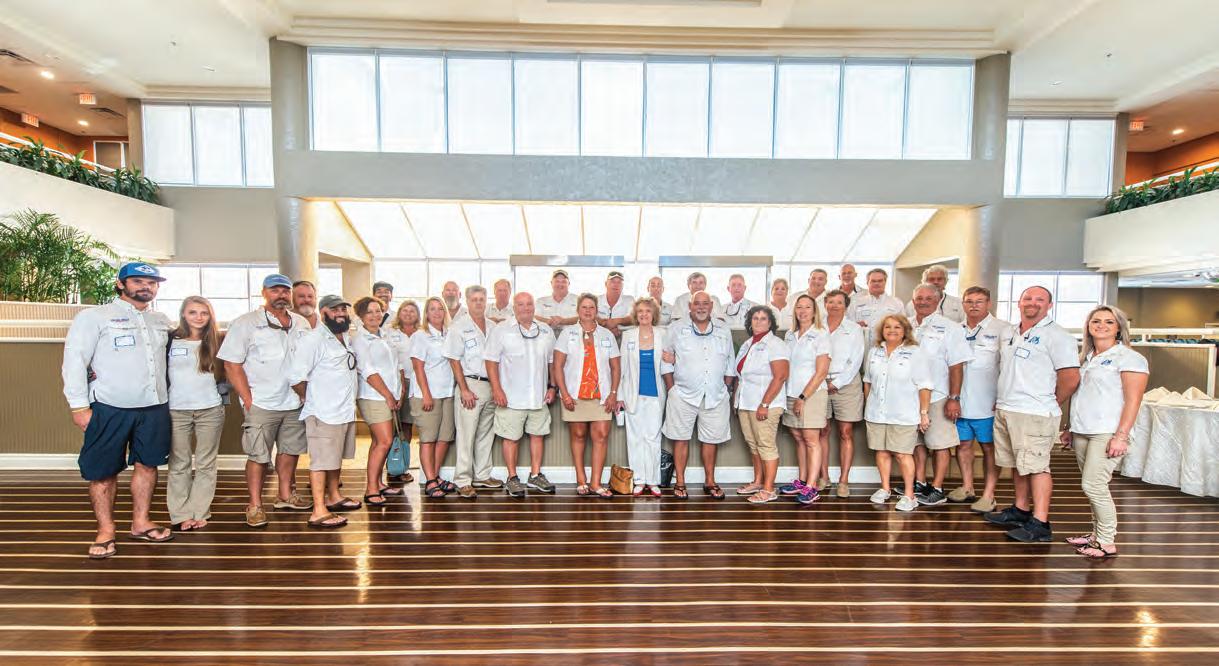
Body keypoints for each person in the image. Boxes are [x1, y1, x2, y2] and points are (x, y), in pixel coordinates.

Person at [63, 261, 175, 559]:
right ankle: (106, 530)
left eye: (151, 283)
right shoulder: (94, 317)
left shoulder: (160, 320)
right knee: (102, 472)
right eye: (138, 281)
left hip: (154, 407)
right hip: (109, 407)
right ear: (120, 284)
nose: (146, 287)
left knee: (148, 465)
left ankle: (141, 522)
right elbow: (74, 362)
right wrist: (79, 406)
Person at [984, 286, 1080, 543]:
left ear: (1049, 305)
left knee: (1037, 467)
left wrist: (1050, 401)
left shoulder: (1058, 336)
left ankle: (1040, 523)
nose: (1032, 303)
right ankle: (1021, 509)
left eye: (1040, 299)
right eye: (1028, 298)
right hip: (1007, 408)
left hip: (1035, 412)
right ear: (1019, 302)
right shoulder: (1010, 332)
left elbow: (1070, 378)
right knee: (1019, 464)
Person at [218, 273, 313, 529]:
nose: (281, 295)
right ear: (264, 293)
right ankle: (255, 505)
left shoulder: (301, 323)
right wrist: (248, 400)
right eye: (275, 290)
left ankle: (285, 495)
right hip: (262, 402)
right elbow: (231, 364)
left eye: (285, 290)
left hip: (294, 401)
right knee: (258, 455)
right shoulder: (246, 323)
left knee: (290, 450)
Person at [1062, 306, 1148, 559]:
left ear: (1119, 327)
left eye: (1109, 322)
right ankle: (1096, 534)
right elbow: (1080, 396)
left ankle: (1106, 541)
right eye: (1096, 321)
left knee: (1094, 485)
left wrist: (1121, 436)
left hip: (1108, 432)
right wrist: (1069, 427)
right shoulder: (1086, 357)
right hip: (1082, 430)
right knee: (1092, 486)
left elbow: (1133, 400)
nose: (1101, 325)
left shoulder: (1129, 358)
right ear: (1088, 326)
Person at [288, 294, 359, 529]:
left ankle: (334, 496)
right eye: (334, 310)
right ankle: (318, 510)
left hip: (344, 410)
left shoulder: (344, 336)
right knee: (320, 461)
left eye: (343, 309)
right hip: (323, 412)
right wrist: (311, 398)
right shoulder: (313, 339)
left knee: (335, 457)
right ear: (323, 312)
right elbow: (296, 377)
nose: (340, 313)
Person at [661, 291, 736, 500]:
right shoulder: (676, 328)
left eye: (705, 304)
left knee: (711, 440)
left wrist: (726, 388)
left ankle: (710, 481)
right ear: (690, 306)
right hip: (682, 394)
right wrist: (671, 389)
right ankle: (680, 482)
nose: (701, 307)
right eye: (697, 304)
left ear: (711, 306)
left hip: (715, 395)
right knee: (680, 438)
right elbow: (666, 360)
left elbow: (730, 361)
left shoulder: (723, 329)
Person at [485, 292, 558, 498]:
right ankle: (512, 477)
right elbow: (490, 361)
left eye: (529, 304)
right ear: (514, 307)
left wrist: (552, 387)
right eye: (521, 304)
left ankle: (535, 475)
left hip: (538, 396)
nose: (525, 308)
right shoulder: (501, 330)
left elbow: (552, 361)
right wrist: (496, 389)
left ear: (534, 306)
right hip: (510, 397)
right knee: (511, 438)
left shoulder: (545, 330)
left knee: (537, 435)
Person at [909, 284, 973, 506]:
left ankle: (937, 488)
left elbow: (957, 365)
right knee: (917, 443)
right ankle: (920, 483)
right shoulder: (906, 324)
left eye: (929, 298)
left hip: (937, 395)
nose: (923, 302)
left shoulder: (950, 328)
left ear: (938, 301)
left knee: (939, 444)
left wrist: (954, 398)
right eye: (919, 298)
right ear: (913, 301)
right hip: (909, 396)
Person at [166, 296, 226, 532]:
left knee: (205, 463)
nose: (199, 317)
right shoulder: (169, 340)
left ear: (210, 315)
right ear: (183, 314)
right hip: (176, 410)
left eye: (204, 313)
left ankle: (199, 512)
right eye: (193, 312)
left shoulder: (219, 340)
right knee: (179, 463)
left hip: (210, 409)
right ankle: (181, 514)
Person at [949, 287, 1011, 513]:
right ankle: (967, 487)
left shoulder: (1003, 329)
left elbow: (1009, 367)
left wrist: (1002, 397)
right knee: (963, 445)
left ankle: (988, 495)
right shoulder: (955, 329)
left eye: (979, 301)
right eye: (969, 301)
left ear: (989, 303)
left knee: (988, 447)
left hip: (988, 401)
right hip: (960, 399)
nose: (973, 305)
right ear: (963, 304)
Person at [863, 314, 934, 513]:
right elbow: (868, 381)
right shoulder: (875, 351)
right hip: (877, 413)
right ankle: (885, 488)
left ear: (905, 331)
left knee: (903, 454)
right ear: (882, 330)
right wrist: (869, 404)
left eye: (897, 327)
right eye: (888, 327)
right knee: (882, 452)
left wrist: (924, 412)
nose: (892, 330)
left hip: (904, 414)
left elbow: (925, 385)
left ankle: (910, 495)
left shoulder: (915, 352)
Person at [555, 294, 622, 498]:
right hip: (574, 395)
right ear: (578, 310)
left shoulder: (606, 335)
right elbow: (557, 366)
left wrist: (613, 393)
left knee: (601, 436)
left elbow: (616, 367)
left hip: (602, 395)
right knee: (578, 435)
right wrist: (564, 394)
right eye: (584, 307)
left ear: (596, 310)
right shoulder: (567, 333)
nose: (587, 311)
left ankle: (595, 483)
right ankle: (581, 480)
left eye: (591, 307)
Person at [444, 286, 503, 499]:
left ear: (486, 301)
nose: (478, 303)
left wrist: (497, 387)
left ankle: (482, 475)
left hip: (491, 385)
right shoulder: (458, 327)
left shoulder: (494, 327)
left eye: (482, 299)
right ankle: (462, 479)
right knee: (466, 434)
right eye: (474, 299)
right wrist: (464, 389)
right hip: (470, 384)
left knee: (486, 433)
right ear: (467, 302)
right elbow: (453, 359)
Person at [733, 306, 790, 505]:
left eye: (763, 318)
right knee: (753, 444)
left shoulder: (776, 344)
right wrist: (736, 401)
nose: (758, 321)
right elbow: (741, 376)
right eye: (755, 318)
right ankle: (758, 482)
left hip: (766, 404)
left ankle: (768, 489)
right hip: (746, 403)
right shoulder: (748, 343)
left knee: (766, 445)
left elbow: (781, 376)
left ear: (770, 322)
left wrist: (765, 403)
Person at [351, 296, 404, 507]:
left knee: (377, 442)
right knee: (385, 441)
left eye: (378, 311)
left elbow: (395, 366)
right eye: (369, 312)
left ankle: (379, 483)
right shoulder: (359, 339)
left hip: (389, 396)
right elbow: (368, 371)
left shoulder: (385, 335)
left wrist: (397, 393)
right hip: (373, 396)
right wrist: (388, 396)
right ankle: (371, 489)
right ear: (361, 316)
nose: (375, 315)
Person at [780, 294, 831, 505]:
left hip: (811, 395)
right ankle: (802, 481)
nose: (803, 311)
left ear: (814, 311)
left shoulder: (821, 334)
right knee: (798, 437)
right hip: (791, 392)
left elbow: (821, 372)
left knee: (811, 440)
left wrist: (803, 397)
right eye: (799, 307)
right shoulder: (790, 335)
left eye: (807, 307)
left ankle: (812, 486)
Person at [618, 297, 668, 497]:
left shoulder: (663, 334)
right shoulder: (628, 335)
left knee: (653, 438)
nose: (644, 314)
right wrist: (619, 395)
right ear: (635, 315)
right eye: (640, 311)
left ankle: (653, 480)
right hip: (633, 394)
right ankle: (639, 480)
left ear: (654, 314)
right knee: (635, 438)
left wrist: (673, 358)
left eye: (647, 311)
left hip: (656, 394)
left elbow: (672, 360)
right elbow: (621, 368)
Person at [410, 296, 457, 499]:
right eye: (432, 309)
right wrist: (427, 395)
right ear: (426, 314)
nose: (437, 312)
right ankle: (430, 480)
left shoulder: (449, 334)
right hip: (427, 395)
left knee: (444, 438)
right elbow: (418, 367)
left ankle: (434, 477)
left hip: (447, 393)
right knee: (428, 439)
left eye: (440, 309)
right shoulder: (420, 336)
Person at [821, 290, 866, 497]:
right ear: (825, 304)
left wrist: (837, 383)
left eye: (839, 302)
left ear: (846, 306)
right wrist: (822, 382)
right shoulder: (817, 326)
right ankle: (823, 477)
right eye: (831, 302)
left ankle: (843, 481)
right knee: (821, 431)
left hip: (846, 384)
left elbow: (856, 360)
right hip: (819, 384)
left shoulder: (854, 329)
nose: (834, 305)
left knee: (845, 432)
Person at [384, 299, 420, 482]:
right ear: (399, 313)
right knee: (394, 427)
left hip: (419, 383)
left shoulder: (422, 332)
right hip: (398, 383)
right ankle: (393, 467)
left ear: (418, 315)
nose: (408, 314)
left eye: (412, 311)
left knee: (407, 426)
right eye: (405, 310)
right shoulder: (390, 332)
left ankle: (403, 465)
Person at [537, 269, 579, 335]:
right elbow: (533, 317)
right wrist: (547, 321)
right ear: (551, 283)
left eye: (563, 281)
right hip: (546, 338)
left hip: (572, 337)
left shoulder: (578, 300)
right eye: (557, 281)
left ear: (569, 283)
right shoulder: (541, 301)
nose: (560, 284)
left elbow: (585, 318)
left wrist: (564, 321)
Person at [597, 271, 635, 339]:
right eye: (612, 281)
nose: (616, 285)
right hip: (600, 337)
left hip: (623, 338)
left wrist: (616, 321)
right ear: (606, 284)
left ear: (622, 286)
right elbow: (590, 316)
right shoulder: (597, 300)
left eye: (619, 282)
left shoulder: (630, 300)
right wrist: (605, 325)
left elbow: (633, 318)